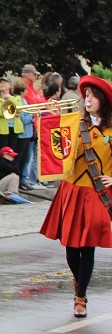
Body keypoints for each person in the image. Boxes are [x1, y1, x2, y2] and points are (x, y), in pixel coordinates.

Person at [39, 75, 112, 318]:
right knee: (71, 248)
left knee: (87, 247)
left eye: (92, 96)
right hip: (71, 188)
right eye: (86, 95)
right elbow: (54, 148)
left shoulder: (111, 129)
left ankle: (81, 297)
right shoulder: (73, 121)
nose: (87, 99)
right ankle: (79, 282)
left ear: (102, 100)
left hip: (95, 192)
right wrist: (50, 118)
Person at [0, 75, 23, 154]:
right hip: (0, 130)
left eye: (4, 82)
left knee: (12, 153)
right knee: (2, 153)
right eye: (0, 82)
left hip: (14, 129)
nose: (2, 84)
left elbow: (20, 109)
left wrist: (10, 98)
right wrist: (14, 113)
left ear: (10, 85)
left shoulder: (16, 97)